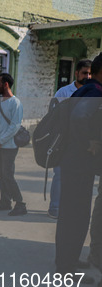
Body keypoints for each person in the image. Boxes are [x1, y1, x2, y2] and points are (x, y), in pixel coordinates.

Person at [53, 53, 102, 285]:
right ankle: (66, 268)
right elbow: (81, 117)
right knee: (77, 216)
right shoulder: (96, 92)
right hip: (80, 163)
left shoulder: (83, 89)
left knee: (69, 214)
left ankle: (66, 261)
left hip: (71, 161)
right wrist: (88, 143)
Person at [48, 59, 92, 219]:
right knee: (59, 175)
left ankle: (72, 210)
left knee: (80, 178)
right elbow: (52, 117)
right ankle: (55, 208)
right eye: (84, 73)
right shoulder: (63, 93)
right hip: (63, 141)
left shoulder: (93, 92)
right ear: (76, 73)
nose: (87, 76)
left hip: (84, 144)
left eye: (89, 73)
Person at [0, 73, 26, 216]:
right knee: (2, 174)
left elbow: (15, 126)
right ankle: (5, 201)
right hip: (0, 145)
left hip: (10, 146)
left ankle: (20, 203)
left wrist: (2, 140)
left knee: (7, 174)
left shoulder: (15, 103)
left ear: (6, 84)